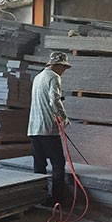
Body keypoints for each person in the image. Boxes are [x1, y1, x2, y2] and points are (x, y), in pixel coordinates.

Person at [27, 51, 72, 206]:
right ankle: (56, 200)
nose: (64, 71)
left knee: (39, 165)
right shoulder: (54, 77)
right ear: (57, 65)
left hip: (33, 128)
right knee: (58, 163)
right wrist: (64, 117)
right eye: (64, 68)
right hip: (47, 129)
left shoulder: (38, 77)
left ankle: (40, 197)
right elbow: (54, 100)